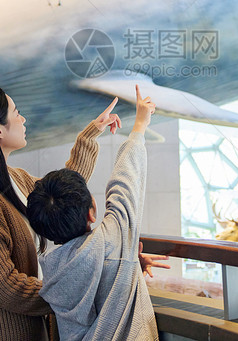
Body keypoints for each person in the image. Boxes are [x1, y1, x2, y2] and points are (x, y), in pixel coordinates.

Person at [0, 86, 121, 341]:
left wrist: (92, 134)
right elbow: (7, 289)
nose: (23, 119)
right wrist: (73, 291)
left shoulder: (12, 177)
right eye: (17, 112)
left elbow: (60, 196)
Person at [27, 85, 163, 341]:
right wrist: (140, 125)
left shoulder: (54, 272)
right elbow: (125, 184)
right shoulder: (113, 240)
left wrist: (130, 268)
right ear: (93, 212)